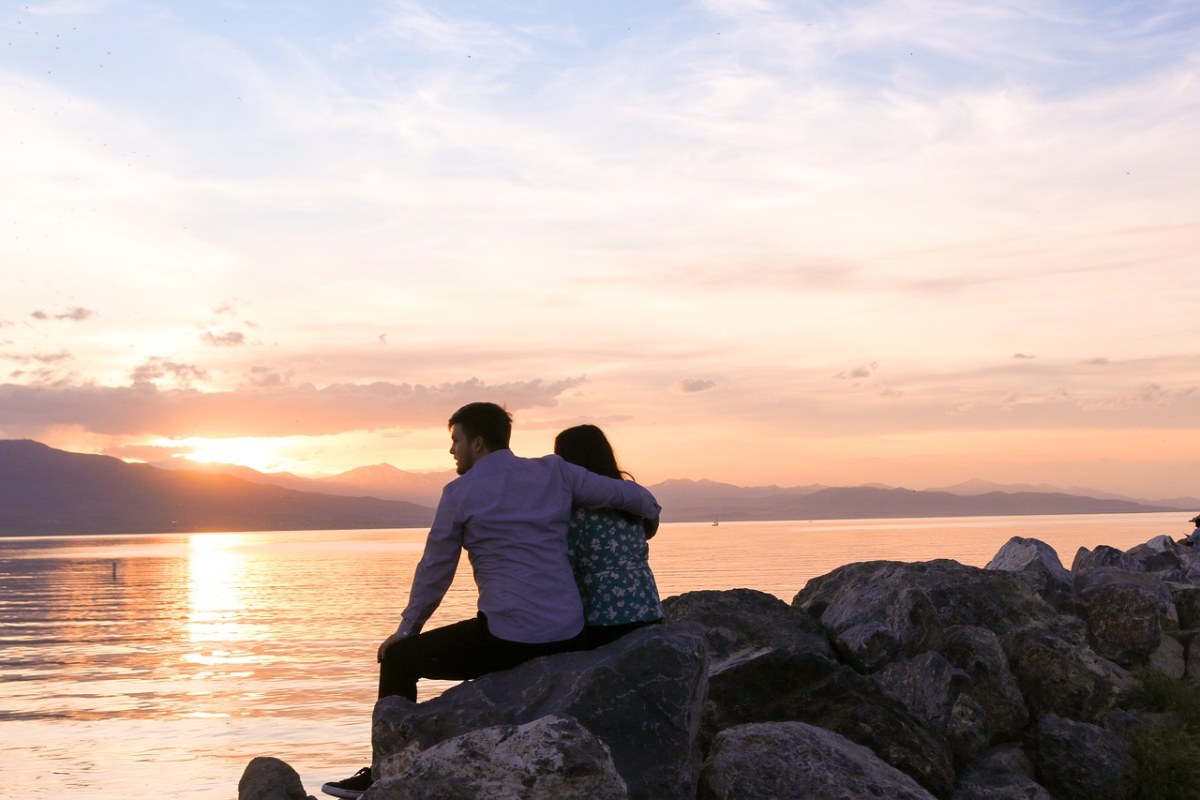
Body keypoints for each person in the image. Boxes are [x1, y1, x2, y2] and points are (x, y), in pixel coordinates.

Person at [323, 403, 661, 799]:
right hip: (569, 632)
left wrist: (406, 631)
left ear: (477, 442)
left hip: (507, 638)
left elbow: (435, 571)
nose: (452, 451)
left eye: (456, 441)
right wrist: (648, 523)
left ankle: (382, 774)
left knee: (400, 660)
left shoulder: (459, 493)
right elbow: (639, 499)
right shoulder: (555, 472)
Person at [554, 424, 664, 649]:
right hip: (649, 609)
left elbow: (563, 563)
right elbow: (649, 530)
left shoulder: (576, 509)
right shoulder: (630, 498)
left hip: (603, 620)